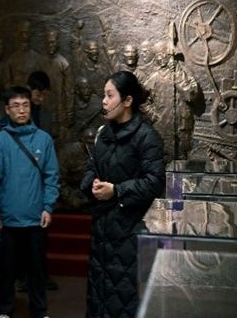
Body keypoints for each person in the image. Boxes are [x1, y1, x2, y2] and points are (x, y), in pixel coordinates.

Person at [80, 71, 165, 317]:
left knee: (124, 300)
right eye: (103, 95)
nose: (103, 101)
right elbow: (90, 169)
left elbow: (155, 182)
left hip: (131, 232)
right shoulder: (103, 134)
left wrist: (117, 191)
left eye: (110, 96)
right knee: (99, 298)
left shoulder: (147, 136)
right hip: (101, 233)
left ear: (127, 101)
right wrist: (92, 184)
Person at [0, 86, 59, 318]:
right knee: (6, 269)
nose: (21, 110)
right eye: (16, 106)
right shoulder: (0, 140)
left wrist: (48, 207)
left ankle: (39, 311)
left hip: (35, 216)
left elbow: (51, 176)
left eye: (25, 105)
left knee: (37, 269)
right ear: (7, 110)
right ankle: (4, 310)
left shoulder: (44, 139)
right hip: (8, 217)